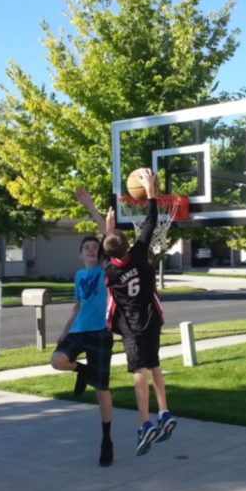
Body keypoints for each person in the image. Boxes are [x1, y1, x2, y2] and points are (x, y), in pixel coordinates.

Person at [96, 170, 178, 457]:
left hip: (131, 325)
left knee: (139, 371)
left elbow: (107, 248)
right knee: (154, 364)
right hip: (152, 318)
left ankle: (145, 423)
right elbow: (152, 222)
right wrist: (151, 191)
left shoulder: (108, 268)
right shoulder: (141, 253)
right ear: (128, 245)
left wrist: (106, 227)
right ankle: (164, 411)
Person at [50, 233, 115, 467]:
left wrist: (90, 206)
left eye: (94, 247)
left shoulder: (105, 270)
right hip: (78, 331)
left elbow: (109, 238)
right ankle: (82, 370)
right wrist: (64, 330)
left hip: (101, 332)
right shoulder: (79, 275)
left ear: (100, 252)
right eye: (86, 247)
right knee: (57, 360)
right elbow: (77, 305)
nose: (90, 249)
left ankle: (106, 439)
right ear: (79, 254)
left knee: (101, 389)